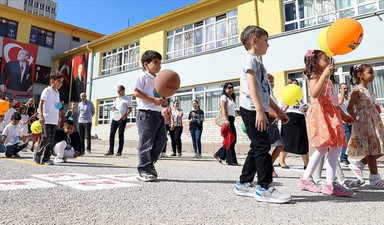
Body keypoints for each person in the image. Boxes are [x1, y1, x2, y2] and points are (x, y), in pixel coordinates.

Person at [233, 25, 291, 203]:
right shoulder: (250, 60)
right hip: (251, 109)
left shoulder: (258, 63)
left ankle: (243, 183)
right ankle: (264, 187)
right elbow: (250, 87)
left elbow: (265, 92)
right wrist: (259, 110)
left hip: (257, 108)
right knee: (263, 147)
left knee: (257, 146)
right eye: (266, 41)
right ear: (254, 40)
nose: (268, 45)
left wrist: (279, 112)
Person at [297, 49, 354, 196]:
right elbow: (314, 93)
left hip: (331, 114)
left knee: (335, 147)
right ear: (315, 63)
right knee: (322, 148)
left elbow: (333, 101)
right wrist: (323, 75)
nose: (328, 62)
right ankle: (307, 179)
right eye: (325, 60)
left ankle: (330, 183)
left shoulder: (327, 80)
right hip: (320, 114)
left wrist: (344, 115)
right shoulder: (314, 76)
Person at [346, 64, 384, 189]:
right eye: (370, 72)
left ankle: (359, 164)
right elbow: (349, 107)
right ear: (360, 75)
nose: (373, 74)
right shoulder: (357, 90)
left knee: (378, 149)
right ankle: (374, 178)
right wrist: (354, 117)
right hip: (365, 123)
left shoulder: (368, 91)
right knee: (373, 150)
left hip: (374, 123)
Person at [134, 50, 167, 182]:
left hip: (158, 114)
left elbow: (160, 96)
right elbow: (136, 92)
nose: (158, 65)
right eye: (155, 62)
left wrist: (163, 101)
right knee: (145, 143)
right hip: (145, 113)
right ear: (146, 64)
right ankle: (143, 170)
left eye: (160, 63)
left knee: (162, 140)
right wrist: (153, 101)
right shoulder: (143, 77)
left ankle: (149, 164)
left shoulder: (158, 79)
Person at [33, 71, 63, 165]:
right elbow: (41, 103)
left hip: (54, 120)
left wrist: (59, 108)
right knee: (45, 137)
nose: (60, 83)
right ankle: (37, 154)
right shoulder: (47, 90)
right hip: (46, 118)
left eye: (61, 82)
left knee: (51, 140)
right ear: (52, 81)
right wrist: (41, 116)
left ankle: (46, 158)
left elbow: (56, 106)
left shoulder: (57, 92)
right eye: (58, 81)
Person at [279, 78, 309, 170]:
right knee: (286, 140)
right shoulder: (284, 96)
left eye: (297, 85)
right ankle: (282, 161)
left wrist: (306, 108)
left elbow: (303, 107)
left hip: (300, 119)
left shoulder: (300, 97)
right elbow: (280, 108)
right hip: (289, 119)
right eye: (294, 84)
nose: (296, 86)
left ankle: (306, 163)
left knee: (302, 141)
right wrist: (285, 106)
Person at [213, 82, 239, 166]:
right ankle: (231, 160)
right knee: (231, 139)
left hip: (232, 119)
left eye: (232, 87)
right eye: (229, 87)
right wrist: (226, 120)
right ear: (225, 89)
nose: (231, 89)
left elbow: (231, 109)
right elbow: (223, 109)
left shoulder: (231, 98)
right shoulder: (223, 97)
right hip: (228, 120)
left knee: (232, 139)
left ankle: (219, 154)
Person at [105, 85, 132, 156]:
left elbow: (130, 109)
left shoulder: (127, 99)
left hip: (122, 119)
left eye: (119, 91)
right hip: (115, 118)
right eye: (117, 91)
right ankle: (111, 150)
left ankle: (119, 151)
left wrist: (125, 115)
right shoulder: (116, 99)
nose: (118, 93)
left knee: (120, 134)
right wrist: (113, 109)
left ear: (123, 91)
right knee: (111, 134)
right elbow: (114, 107)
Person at [266, 74, 285, 176]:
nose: (271, 83)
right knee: (265, 147)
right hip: (266, 121)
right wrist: (274, 114)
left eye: (272, 81)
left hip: (274, 123)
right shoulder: (263, 94)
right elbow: (260, 111)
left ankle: (269, 165)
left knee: (280, 145)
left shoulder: (272, 95)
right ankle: (264, 168)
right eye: (269, 81)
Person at [338, 83, 352, 166]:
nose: (345, 90)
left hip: (349, 121)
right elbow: (339, 103)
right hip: (342, 122)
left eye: (346, 88)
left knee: (350, 140)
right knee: (347, 139)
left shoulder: (348, 98)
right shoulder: (337, 96)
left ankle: (345, 157)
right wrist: (342, 94)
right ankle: (343, 158)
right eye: (343, 88)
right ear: (340, 89)